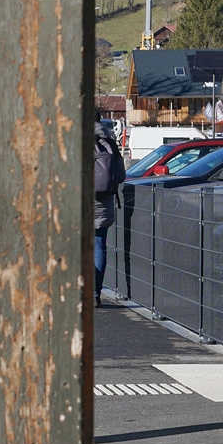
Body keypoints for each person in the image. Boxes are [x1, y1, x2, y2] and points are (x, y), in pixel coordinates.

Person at [94, 115, 126, 307]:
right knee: (99, 247)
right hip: (103, 204)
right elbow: (121, 176)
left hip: (79, 202)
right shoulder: (110, 144)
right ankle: (96, 294)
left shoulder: (74, 139)